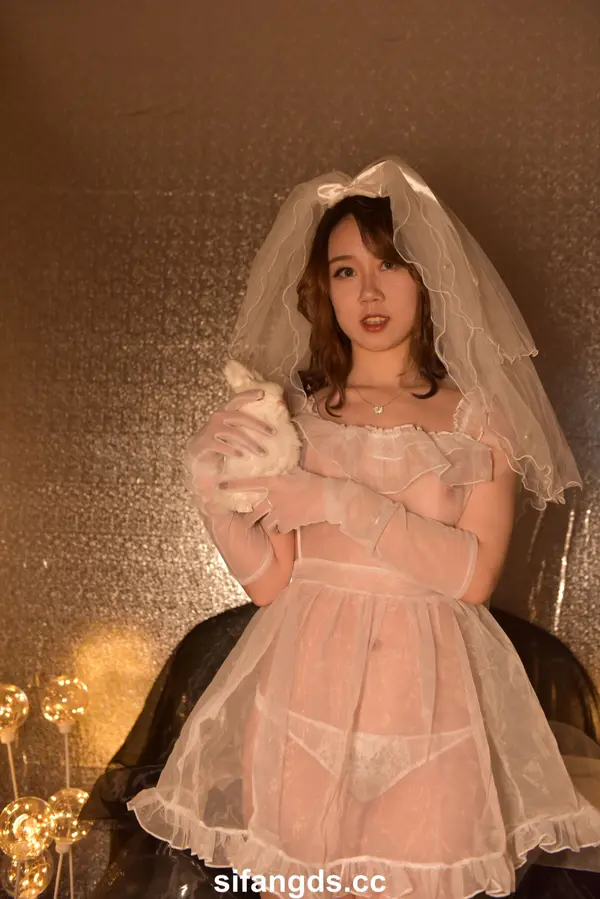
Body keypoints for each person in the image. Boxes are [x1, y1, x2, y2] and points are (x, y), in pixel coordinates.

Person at [126, 159, 600, 899]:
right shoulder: (297, 417)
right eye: (346, 271)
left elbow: (474, 576)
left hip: (433, 712)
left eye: (390, 266)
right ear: (325, 289)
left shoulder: (482, 419)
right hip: (300, 704)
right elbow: (273, 582)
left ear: (428, 277)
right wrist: (213, 496)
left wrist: (338, 500)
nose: (369, 293)